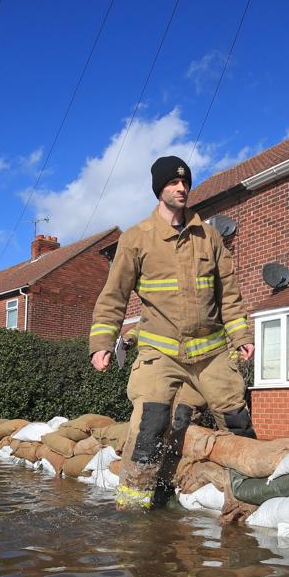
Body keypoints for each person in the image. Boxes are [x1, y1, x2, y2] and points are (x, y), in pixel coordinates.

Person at [89, 155, 256, 510]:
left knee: (237, 420)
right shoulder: (136, 239)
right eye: (172, 183)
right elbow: (113, 295)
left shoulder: (209, 237)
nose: (181, 188)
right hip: (159, 353)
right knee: (150, 422)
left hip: (210, 353)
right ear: (159, 189)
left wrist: (242, 336)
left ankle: (251, 498)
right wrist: (102, 343)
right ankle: (133, 506)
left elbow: (229, 293)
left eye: (185, 183)